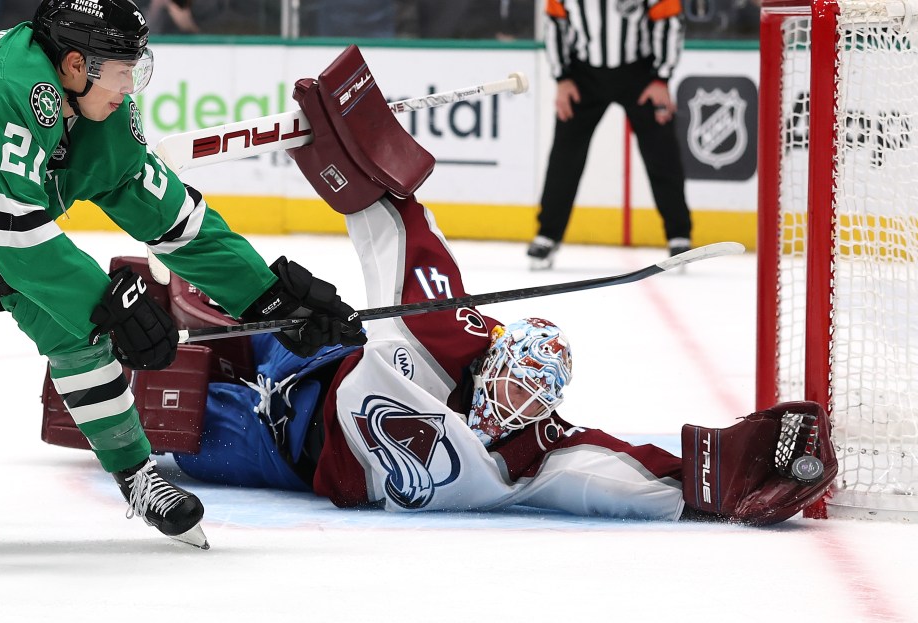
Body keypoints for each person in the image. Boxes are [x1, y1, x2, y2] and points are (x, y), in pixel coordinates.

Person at [68, 47, 837, 526]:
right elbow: (403, 238)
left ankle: (99, 383)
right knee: (221, 304)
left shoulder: (536, 454)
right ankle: (156, 299)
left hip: (285, 452)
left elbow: (631, 473)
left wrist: (725, 470)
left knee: (170, 421)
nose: (510, 407)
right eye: (511, 385)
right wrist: (350, 161)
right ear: (496, 357)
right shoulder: (449, 340)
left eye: (530, 403)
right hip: (322, 370)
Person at [0, 0, 364, 573]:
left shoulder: (102, 118)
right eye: (124, 71)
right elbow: (23, 248)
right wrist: (112, 304)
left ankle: (135, 472)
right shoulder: (4, 88)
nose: (132, 87)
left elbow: (177, 224)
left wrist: (272, 298)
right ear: (76, 65)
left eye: (139, 69)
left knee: (65, 322)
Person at [529, 0, 692, 269]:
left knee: (662, 154)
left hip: (640, 73)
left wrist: (661, 78)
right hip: (582, 76)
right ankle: (547, 234)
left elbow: (669, 19)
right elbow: (555, 25)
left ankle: (679, 235)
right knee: (564, 156)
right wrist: (562, 78)